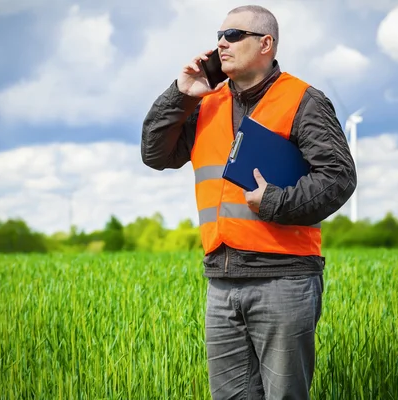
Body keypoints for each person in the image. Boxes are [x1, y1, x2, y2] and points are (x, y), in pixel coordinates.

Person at [141, 5, 356, 399]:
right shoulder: (206, 102)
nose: (221, 43)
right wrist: (179, 94)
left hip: (284, 279)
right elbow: (155, 154)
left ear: (265, 44)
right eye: (219, 36)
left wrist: (275, 201)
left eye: (234, 35)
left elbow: (339, 177)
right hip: (221, 282)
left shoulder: (303, 100)